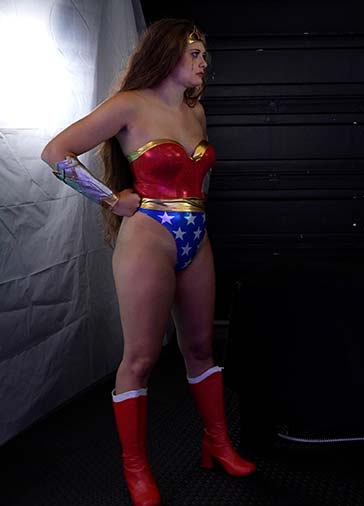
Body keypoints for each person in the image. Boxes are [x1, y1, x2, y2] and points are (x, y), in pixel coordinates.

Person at [41, 19, 254, 506]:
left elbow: (198, 179)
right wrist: (109, 199)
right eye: (195, 53)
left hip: (195, 234)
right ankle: (136, 470)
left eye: (204, 54)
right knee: (140, 358)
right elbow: (56, 153)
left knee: (201, 347)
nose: (204, 63)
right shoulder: (129, 104)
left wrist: (195, 217)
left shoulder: (194, 111)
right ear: (168, 53)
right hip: (148, 236)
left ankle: (217, 444)